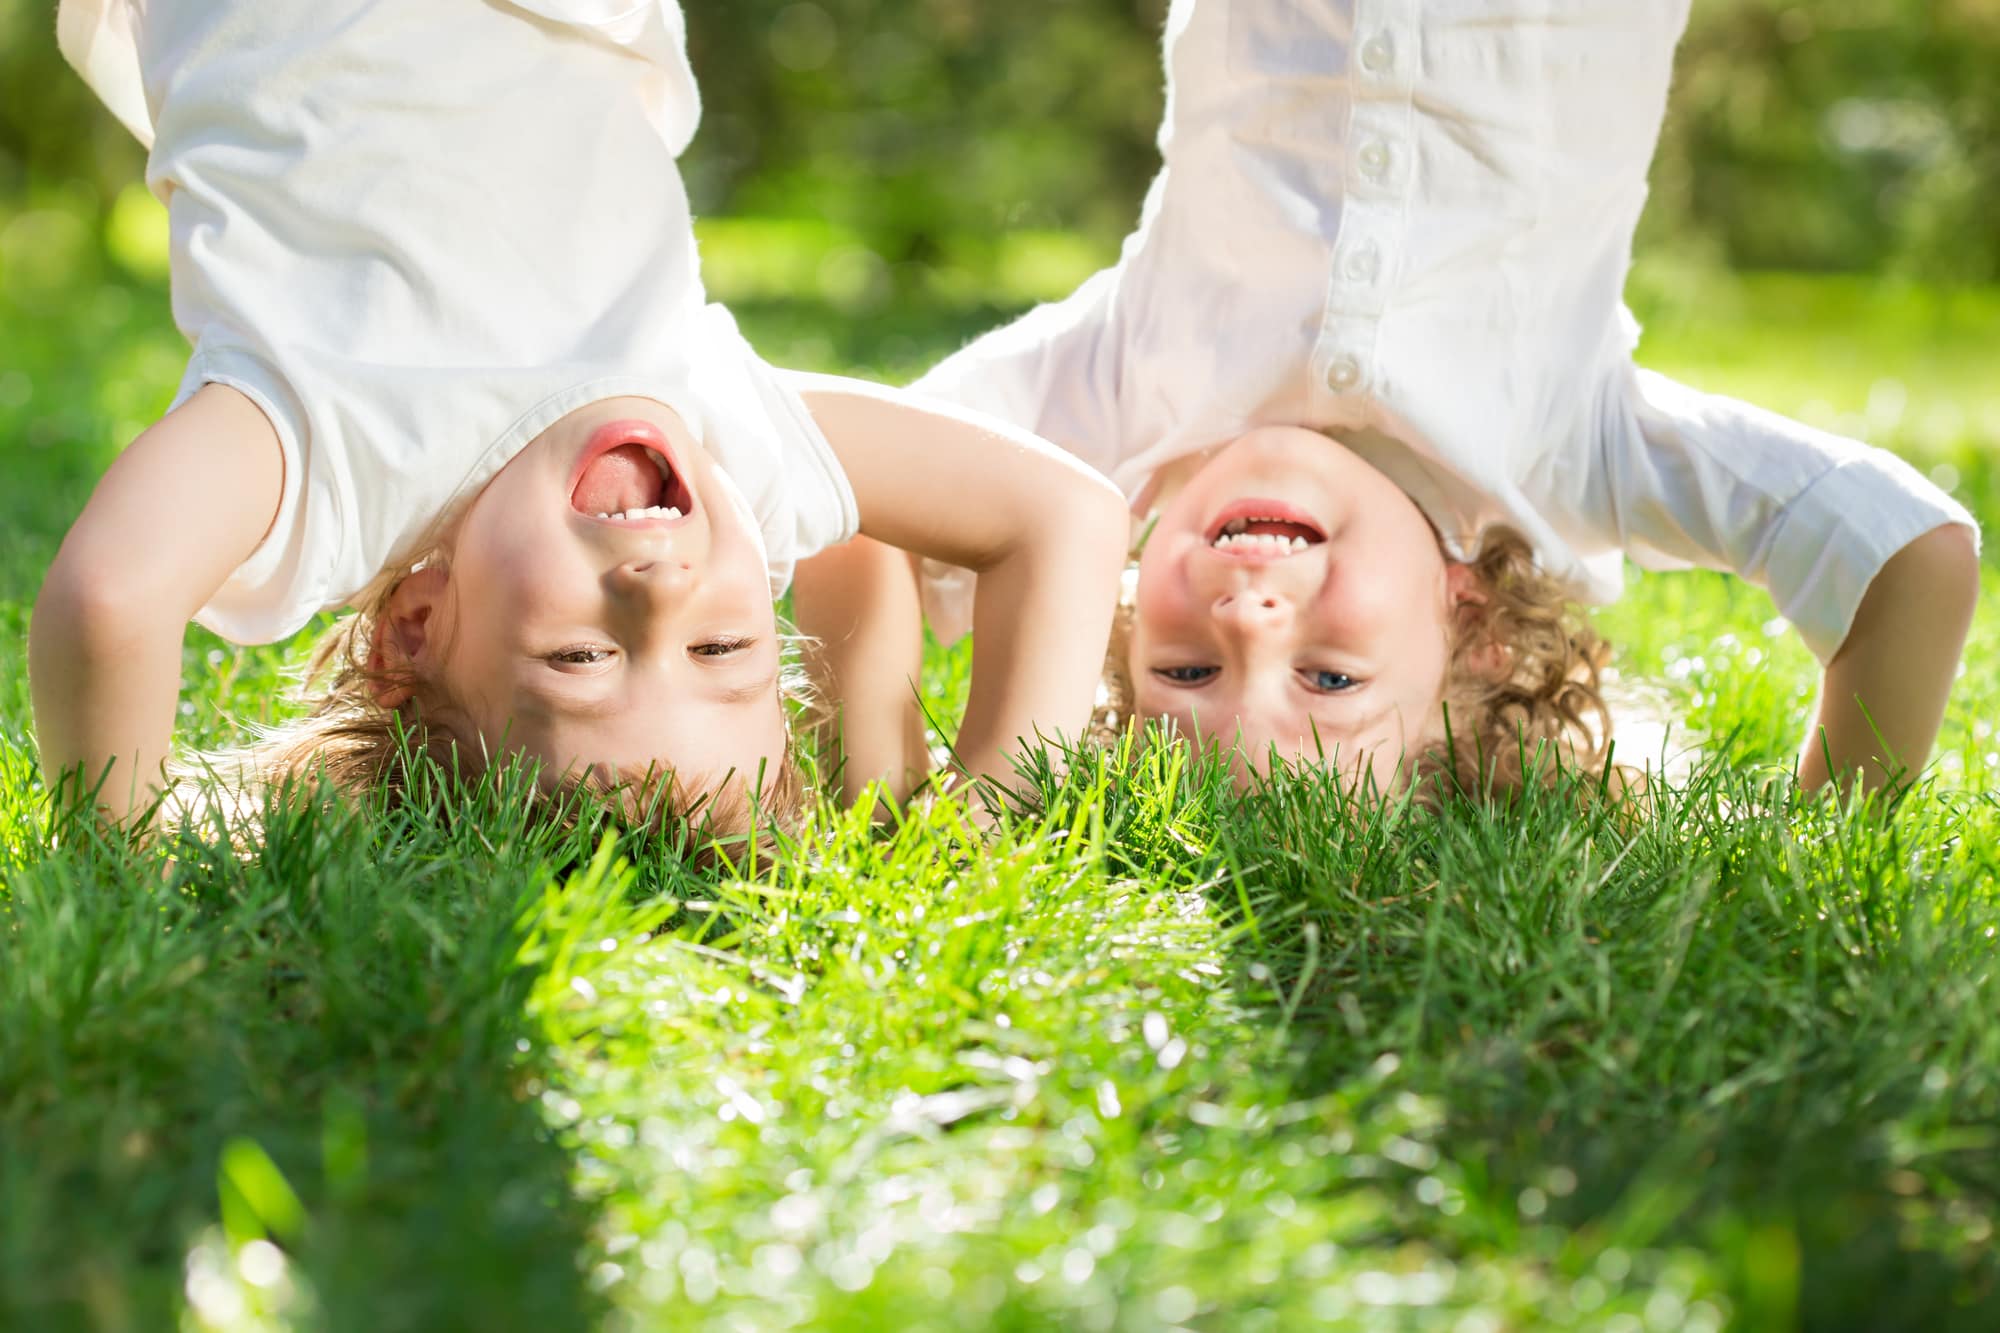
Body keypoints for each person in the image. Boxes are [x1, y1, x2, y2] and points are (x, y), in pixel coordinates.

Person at [801, 0, 1980, 801]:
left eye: (1183, 671)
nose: (1248, 623)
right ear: (1466, 620)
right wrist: (1823, 825)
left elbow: (843, 493)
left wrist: (882, 782)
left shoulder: (1122, 389)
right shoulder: (1569, 449)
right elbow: (1907, 548)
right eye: (1329, 680)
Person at [31, 0, 1128, 832]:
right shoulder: (714, 428)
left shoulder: (345, 453)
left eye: (580, 659)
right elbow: (1062, 517)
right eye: (723, 644)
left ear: (413, 627)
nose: (656, 593)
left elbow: (111, 596)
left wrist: (123, 855)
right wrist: (987, 827)